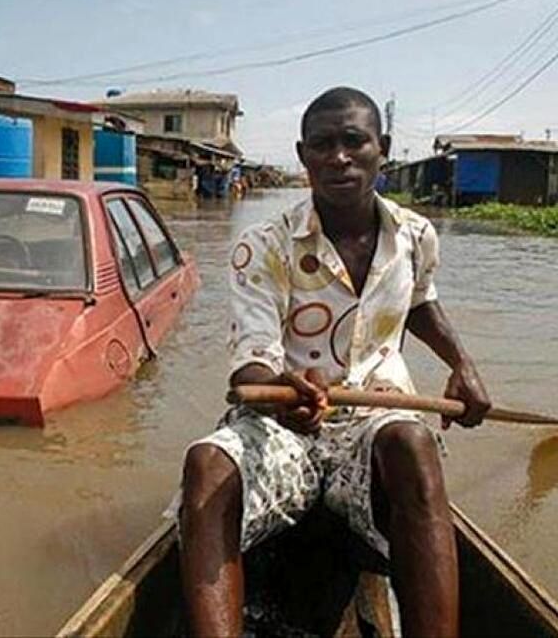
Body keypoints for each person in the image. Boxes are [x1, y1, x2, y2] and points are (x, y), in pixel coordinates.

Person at [178, 87, 492, 637]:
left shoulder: (416, 236)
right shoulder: (264, 245)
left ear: (382, 148)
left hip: (375, 424)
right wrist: (283, 391)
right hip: (285, 431)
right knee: (205, 466)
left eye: (354, 141)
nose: (339, 157)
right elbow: (250, 365)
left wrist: (462, 363)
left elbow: (418, 301)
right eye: (323, 145)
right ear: (303, 156)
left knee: (415, 448)